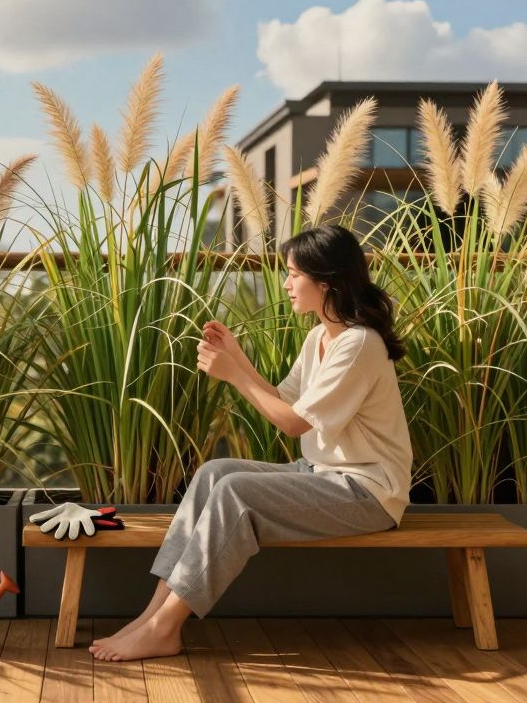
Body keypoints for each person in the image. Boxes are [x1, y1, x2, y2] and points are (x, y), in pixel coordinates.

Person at [89, 224, 414, 662]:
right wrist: (238, 356)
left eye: (294, 274)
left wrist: (234, 375)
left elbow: (294, 424)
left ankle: (166, 628)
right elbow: (285, 399)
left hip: (368, 491)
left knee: (236, 491)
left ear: (327, 282)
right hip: (323, 475)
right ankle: (151, 616)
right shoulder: (321, 336)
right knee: (214, 474)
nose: (286, 283)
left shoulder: (359, 343)